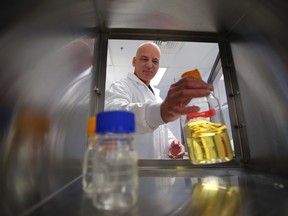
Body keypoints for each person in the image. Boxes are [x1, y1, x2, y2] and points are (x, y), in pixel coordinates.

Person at [105, 42, 213, 159]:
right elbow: (114, 115)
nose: (149, 65)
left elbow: (161, 130)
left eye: (155, 61)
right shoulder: (121, 86)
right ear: (134, 61)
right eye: (144, 59)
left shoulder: (157, 95)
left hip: (160, 170)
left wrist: (172, 142)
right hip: (137, 171)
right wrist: (160, 112)